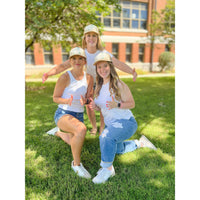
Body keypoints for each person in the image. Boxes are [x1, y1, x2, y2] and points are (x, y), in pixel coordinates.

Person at [43, 24, 137, 135]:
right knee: (89, 106)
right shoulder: (81, 54)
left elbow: (118, 63)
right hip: (88, 83)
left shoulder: (104, 53)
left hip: (102, 83)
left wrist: (131, 71)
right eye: (88, 36)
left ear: (97, 39)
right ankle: (94, 127)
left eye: (94, 36)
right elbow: (63, 66)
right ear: (85, 38)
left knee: (104, 106)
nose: (91, 38)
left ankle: (102, 127)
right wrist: (48, 74)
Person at [88, 52, 157, 184]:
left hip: (126, 123)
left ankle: (107, 169)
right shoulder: (98, 87)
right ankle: (139, 143)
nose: (102, 70)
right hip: (112, 124)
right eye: (99, 67)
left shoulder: (118, 84)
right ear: (96, 69)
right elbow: (102, 107)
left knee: (105, 137)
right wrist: (95, 107)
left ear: (110, 67)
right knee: (117, 149)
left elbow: (132, 104)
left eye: (105, 66)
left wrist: (117, 104)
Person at [51, 47, 93, 179]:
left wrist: (85, 101)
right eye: (74, 58)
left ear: (85, 61)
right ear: (70, 61)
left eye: (80, 58)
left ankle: (58, 132)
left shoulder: (89, 77)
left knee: (74, 139)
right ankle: (76, 164)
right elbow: (55, 98)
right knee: (81, 129)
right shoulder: (65, 77)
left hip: (78, 115)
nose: (77, 61)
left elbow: (89, 98)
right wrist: (66, 100)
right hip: (63, 113)